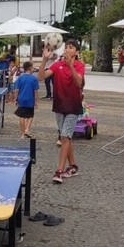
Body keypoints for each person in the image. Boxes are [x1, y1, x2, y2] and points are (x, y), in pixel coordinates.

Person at [38, 39, 85, 184]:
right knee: (67, 137)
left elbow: (78, 83)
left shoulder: (79, 65)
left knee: (64, 137)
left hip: (73, 107)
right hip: (59, 106)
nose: (67, 50)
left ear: (76, 52)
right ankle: (73, 166)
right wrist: (45, 60)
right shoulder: (57, 64)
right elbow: (40, 78)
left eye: (71, 48)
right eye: (67, 47)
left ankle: (59, 171)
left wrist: (71, 66)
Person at [14, 61, 39, 138]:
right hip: (30, 99)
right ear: (30, 68)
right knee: (30, 115)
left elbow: (16, 89)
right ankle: (27, 129)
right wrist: (37, 101)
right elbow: (35, 91)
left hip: (21, 98)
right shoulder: (34, 78)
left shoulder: (20, 78)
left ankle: (22, 132)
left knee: (22, 116)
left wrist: (16, 98)